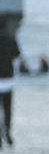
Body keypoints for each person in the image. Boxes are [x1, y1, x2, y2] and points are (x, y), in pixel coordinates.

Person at [0, 19, 20, 147]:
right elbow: (17, 53)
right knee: (7, 108)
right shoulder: (10, 38)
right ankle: (7, 130)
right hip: (7, 76)